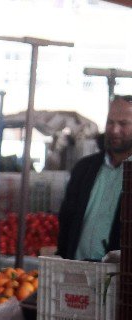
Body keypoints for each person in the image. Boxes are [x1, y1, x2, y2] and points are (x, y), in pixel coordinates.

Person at [57, 95, 132, 260]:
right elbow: (66, 221)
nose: (114, 130)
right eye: (110, 122)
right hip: (77, 272)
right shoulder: (84, 169)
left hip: (120, 280)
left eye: (123, 124)